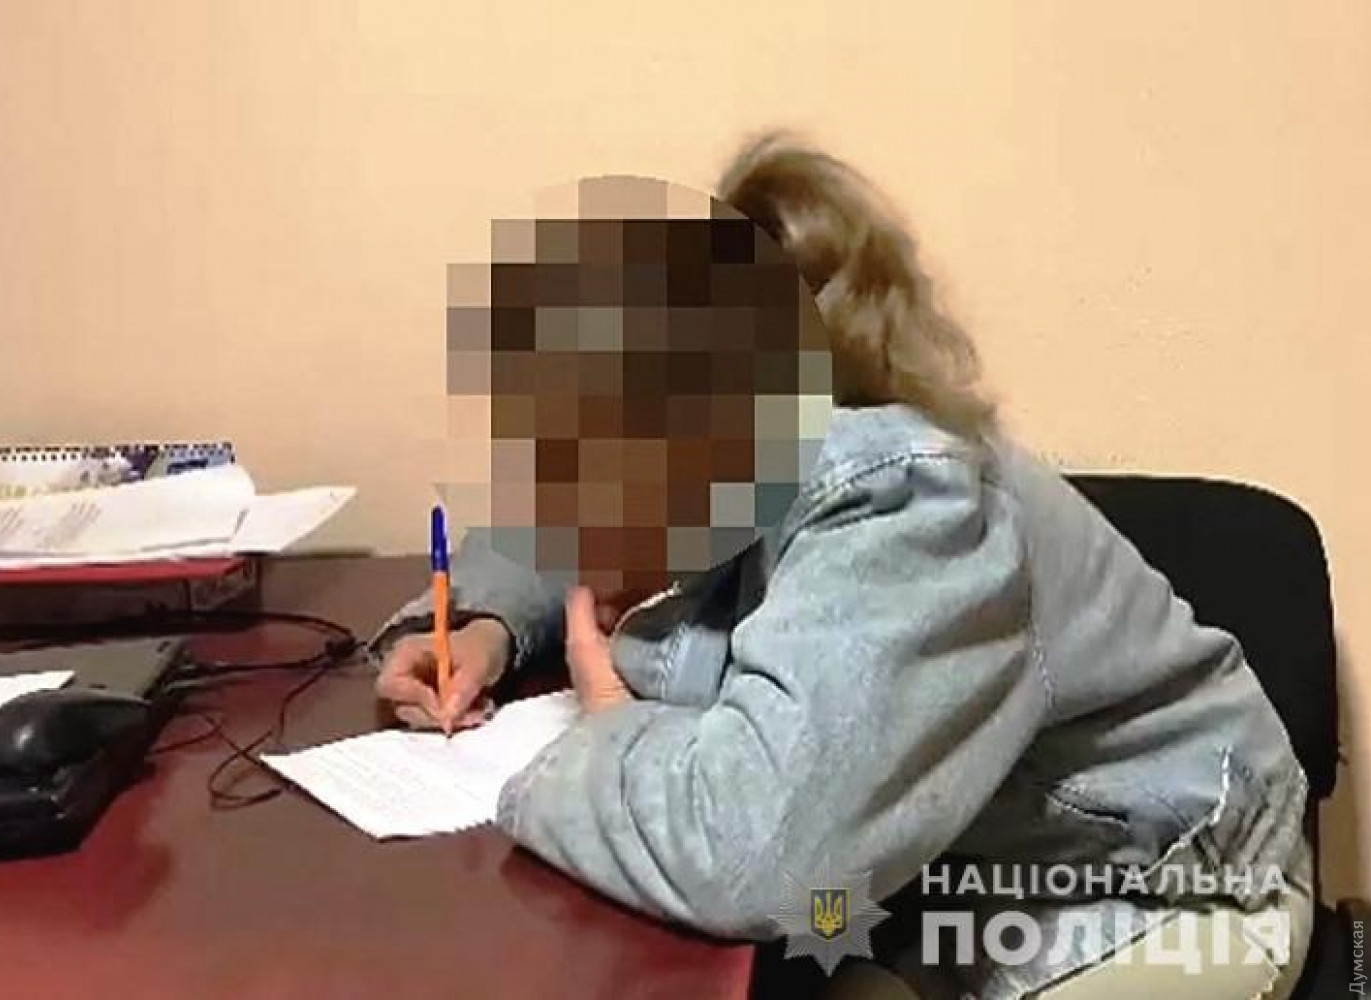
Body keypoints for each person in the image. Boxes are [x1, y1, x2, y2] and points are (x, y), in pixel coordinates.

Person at [374, 132, 1313, 999]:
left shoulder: (903, 510)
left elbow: (749, 855)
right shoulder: (756, 450)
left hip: (1156, 897)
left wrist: (609, 727)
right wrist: (488, 623)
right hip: (943, 875)